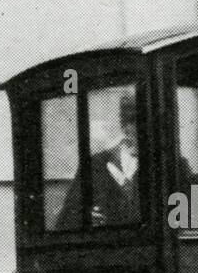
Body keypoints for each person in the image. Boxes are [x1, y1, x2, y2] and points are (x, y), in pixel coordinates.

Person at [56, 91, 141, 229]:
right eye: (133, 123)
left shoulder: (174, 166)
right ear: (125, 127)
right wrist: (85, 220)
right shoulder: (94, 165)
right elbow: (65, 222)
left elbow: (185, 222)